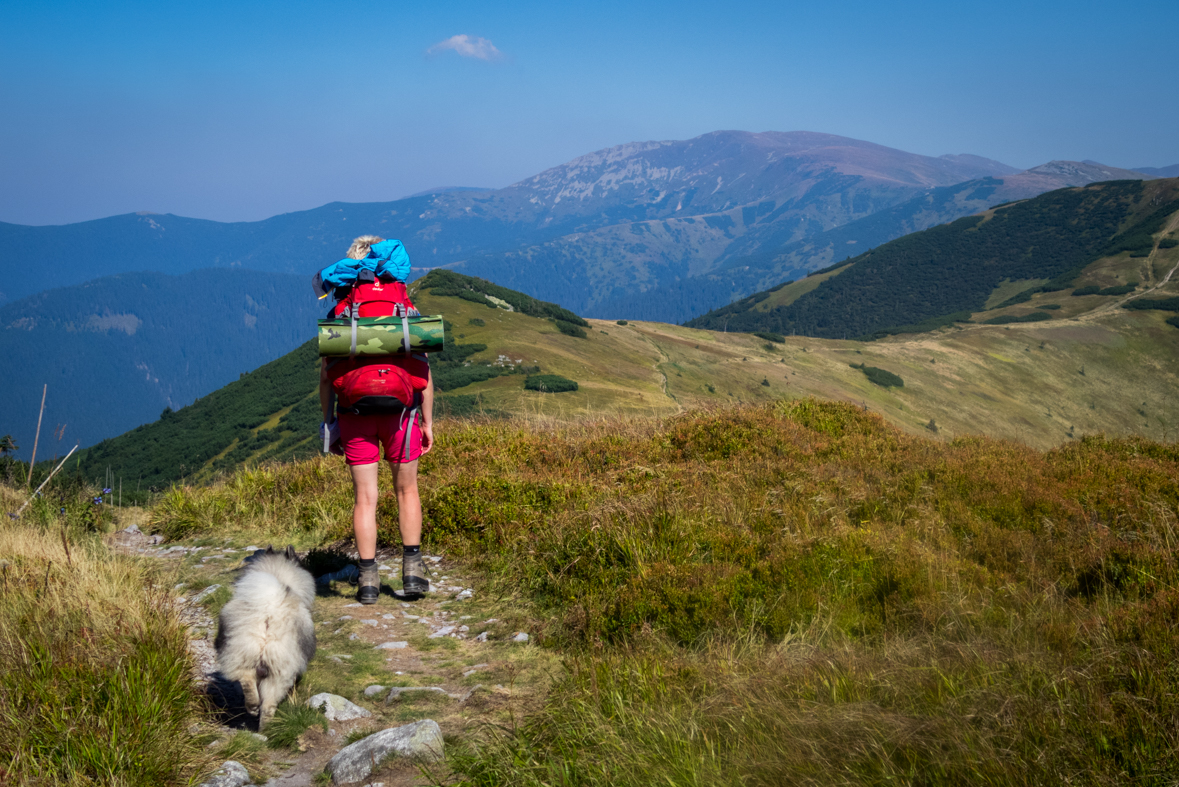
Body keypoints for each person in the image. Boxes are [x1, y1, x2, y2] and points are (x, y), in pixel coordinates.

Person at [319, 236, 434, 604]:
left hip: (354, 414)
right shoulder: (404, 304)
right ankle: (412, 572)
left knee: (365, 498)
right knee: (407, 491)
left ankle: (368, 582)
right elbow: (424, 370)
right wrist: (427, 422)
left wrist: (329, 423)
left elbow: (325, 376)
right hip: (402, 414)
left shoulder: (341, 310)